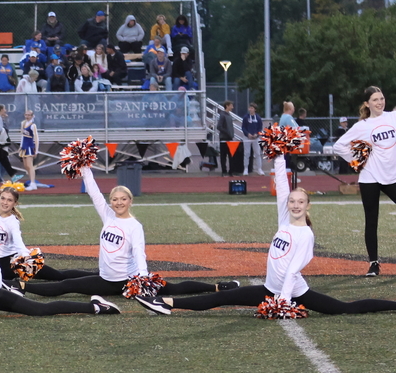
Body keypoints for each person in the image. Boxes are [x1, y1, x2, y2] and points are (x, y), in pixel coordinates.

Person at [136, 154, 396, 317]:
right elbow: (282, 187)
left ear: (308, 206)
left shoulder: (305, 234)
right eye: (292, 202)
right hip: (270, 289)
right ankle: (166, 302)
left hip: (293, 292)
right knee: (222, 298)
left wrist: (282, 299)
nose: (294, 205)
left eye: (300, 202)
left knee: (344, 309)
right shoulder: (285, 221)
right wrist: (280, 155)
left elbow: (293, 270)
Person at [21, 166, 229, 300]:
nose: (118, 202)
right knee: (66, 285)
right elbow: (94, 193)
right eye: (115, 199)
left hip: (126, 281)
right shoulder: (108, 216)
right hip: (104, 279)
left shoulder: (134, 226)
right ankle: (18, 286)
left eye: (123, 199)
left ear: (130, 201)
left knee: (171, 289)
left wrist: (143, 278)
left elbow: (140, 253)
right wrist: (84, 167)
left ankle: (218, 287)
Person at [334, 86, 396, 277]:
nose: (380, 102)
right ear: (367, 103)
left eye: (382, 98)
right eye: (375, 99)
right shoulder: (362, 125)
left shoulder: (393, 117)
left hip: (392, 176)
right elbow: (338, 146)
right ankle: (374, 264)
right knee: (371, 221)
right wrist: (357, 160)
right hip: (370, 178)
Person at [17, 110, 39, 189]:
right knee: (26, 165)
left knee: (30, 165)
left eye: (29, 115)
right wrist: (20, 146)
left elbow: (36, 138)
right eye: (26, 115)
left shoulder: (33, 125)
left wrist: (36, 150)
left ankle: (33, 183)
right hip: (24, 146)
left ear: (32, 116)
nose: (27, 116)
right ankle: (31, 181)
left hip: (30, 146)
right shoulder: (23, 123)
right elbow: (22, 136)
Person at [218, 101, 241, 176]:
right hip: (224, 138)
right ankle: (224, 171)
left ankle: (231, 171)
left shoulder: (229, 115)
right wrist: (227, 132)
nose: (232, 107)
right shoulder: (222, 115)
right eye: (231, 105)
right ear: (227, 106)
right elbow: (219, 126)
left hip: (230, 138)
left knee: (231, 155)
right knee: (223, 156)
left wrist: (231, 134)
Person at [241, 103, 265, 175]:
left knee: (257, 153)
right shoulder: (245, 117)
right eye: (250, 108)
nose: (250, 109)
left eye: (252, 108)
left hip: (256, 138)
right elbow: (243, 127)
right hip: (247, 137)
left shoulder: (258, 118)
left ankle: (259, 169)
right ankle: (246, 169)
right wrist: (247, 134)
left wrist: (257, 134)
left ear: (255, 109)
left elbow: (260, 128)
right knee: (247, 153)